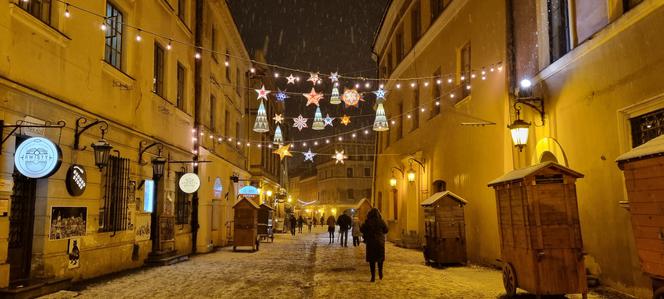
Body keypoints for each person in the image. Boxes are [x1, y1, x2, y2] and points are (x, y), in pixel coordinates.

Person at [360, 208, 388, 282]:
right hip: (380, 242)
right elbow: (386, 230)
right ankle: (380, 272)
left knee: (372, 260)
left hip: (371, 242)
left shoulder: (368, 221)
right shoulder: (381, 221)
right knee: (380, 258)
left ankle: (373, 277)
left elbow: (362, 229)